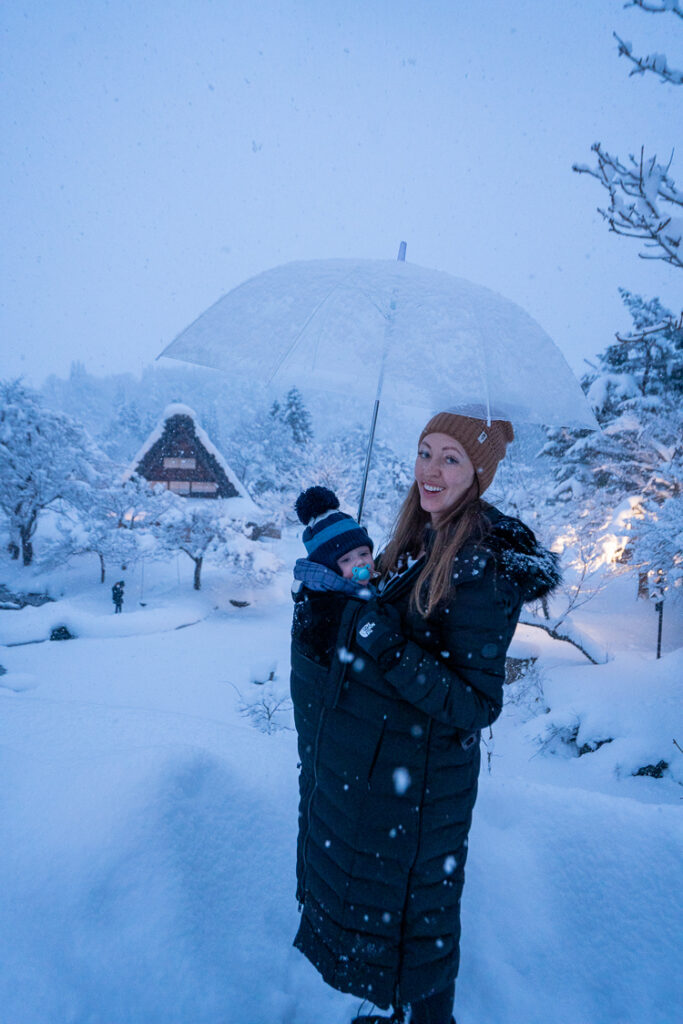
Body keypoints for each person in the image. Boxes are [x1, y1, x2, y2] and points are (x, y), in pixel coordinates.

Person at [290, 412, 561, 1024]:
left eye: (451, 459)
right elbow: (382, 620)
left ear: (478, 474)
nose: (430, 471)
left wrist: (378, 639)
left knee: (421, 918)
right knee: (405, 915)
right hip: (392, 776)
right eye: (425, 452)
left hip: (425, 787)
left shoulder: (482, 564)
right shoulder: (418, 537)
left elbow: (475, 703)